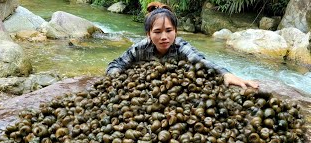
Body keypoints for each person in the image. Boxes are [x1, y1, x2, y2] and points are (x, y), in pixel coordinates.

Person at [106, 2, 259, 89]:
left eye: (169, 31)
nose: (164, 37)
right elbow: (116, 64)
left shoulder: (181, 46)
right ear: (148, 34)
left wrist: (226, 74)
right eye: (157, 32)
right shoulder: (140, 48)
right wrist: (117, 79)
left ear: (176, 31)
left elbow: (200, 60)